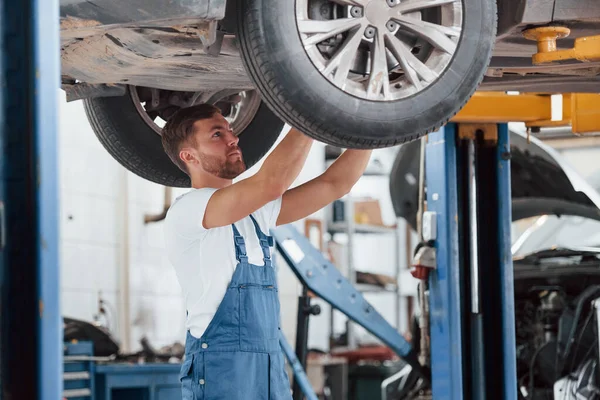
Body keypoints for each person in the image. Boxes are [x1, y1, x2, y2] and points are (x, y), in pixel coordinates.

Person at [161, 103, 372, 400]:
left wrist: (375, 128)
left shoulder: (256, 214)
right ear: (189, 156)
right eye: (217, 134)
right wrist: (312, 104)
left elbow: (336, 183)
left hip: (269, 368)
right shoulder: (188, 210)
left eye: (230, 130)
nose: (233, 139)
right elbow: (271, 183)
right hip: (223, 371)